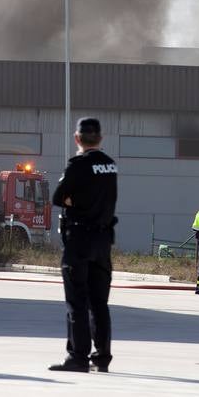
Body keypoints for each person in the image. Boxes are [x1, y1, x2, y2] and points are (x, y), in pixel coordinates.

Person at [49, 117, 118, 374]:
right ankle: (102, 356)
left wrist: (74, 203)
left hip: (79, 239)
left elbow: (58, 197)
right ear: (101, 138)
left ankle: (78, 356)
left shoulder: (78, 165)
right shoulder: (110, 166)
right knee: (99, 302)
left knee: (77, 300)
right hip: (103, 240)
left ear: (77, 138)